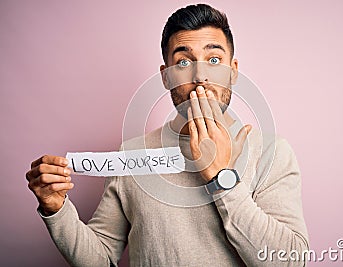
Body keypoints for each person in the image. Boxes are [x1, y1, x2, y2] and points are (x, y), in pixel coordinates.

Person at [26, 4, 308, 266]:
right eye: (184, 62)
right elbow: (101, 257)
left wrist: (222, 177)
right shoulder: (132, 154)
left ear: (233, 72)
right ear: (166, 76)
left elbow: (290, 261)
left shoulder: (271, 152)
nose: (200, 76)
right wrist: (56, 209)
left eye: (214, 59)